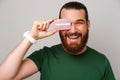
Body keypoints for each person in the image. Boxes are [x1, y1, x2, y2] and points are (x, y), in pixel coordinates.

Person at [0, 1, 115, 80]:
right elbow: (3, 77)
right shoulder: (45, 56)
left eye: (79, 23)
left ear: (88, 24)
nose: (73, 30)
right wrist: (31, 37)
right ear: (59, 25)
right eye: (67, 23)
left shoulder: (101, 61)